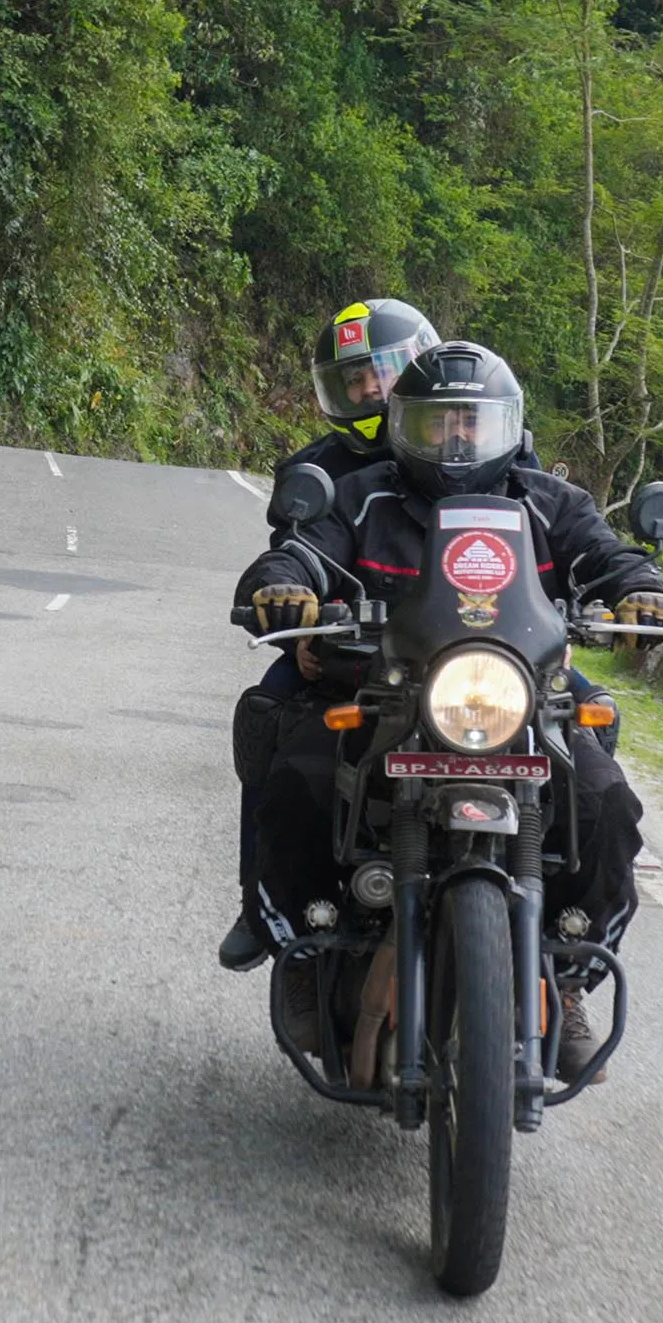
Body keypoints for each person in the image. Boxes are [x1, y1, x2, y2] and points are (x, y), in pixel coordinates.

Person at [227, 343, 663, 1077]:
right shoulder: (363, 496)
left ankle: (565, 974)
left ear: (507, 427)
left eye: (473, 424)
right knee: (301, 775)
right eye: (438, 425)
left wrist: (643, 589)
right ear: (404, 425)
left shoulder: (549, 501)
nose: (457, 441)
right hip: (384, 690)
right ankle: (305, 950)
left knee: (604, 799)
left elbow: (606, 555)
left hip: (518, 697)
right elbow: (304, 553)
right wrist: (284, 585)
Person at [223, 301, 443, 972]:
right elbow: (292, 558)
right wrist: (299, 637)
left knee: (583, 719)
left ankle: (564, 956)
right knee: (270, 714)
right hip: (355, 657)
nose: (372, 391)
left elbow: (540, 531)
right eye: (356, 381)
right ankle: (262, 903)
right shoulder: (318, 471)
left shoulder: (477, 443)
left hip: (477, 657)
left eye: (383, 372)